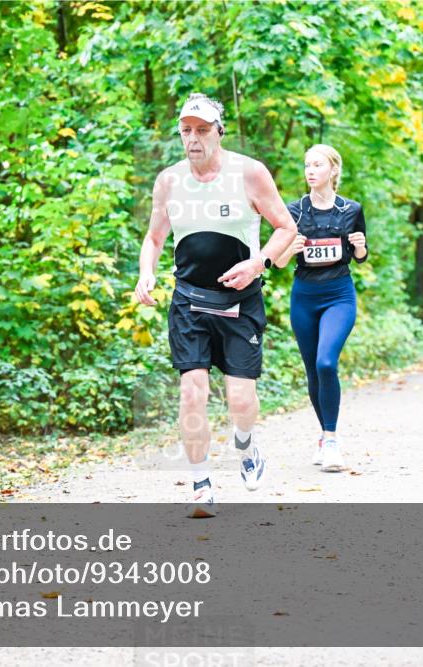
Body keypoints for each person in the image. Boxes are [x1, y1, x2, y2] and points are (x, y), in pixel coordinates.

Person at [134, 93, 296, 517]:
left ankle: (245, 444)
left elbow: (285, 228)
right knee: (192, 392)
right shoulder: (169, 181)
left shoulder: (250, 173)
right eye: (186, 131)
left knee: (240, 399)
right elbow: (153, 238)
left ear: (219, 132)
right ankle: (201, 483)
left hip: (240, 303)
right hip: (189, 302)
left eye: (202, 130)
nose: (193, 139)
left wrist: (257, 263)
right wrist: (145, 272)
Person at [274, 144, 368, 472]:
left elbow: (360, 256)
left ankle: (331, 440)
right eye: (306, 165)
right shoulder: (294, 210)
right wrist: (292, 248)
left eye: (317, 165)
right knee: (313, 369)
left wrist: (360, 248)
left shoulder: (351, 209)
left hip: (339, 294)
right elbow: (279, 261)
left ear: (333, 170)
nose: (310, 170)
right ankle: (324, 435)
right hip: (304, 296)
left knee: (326, 362)